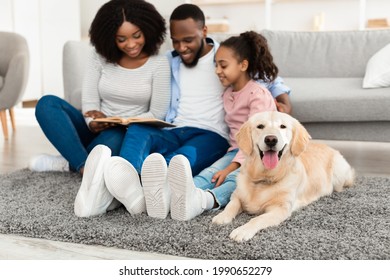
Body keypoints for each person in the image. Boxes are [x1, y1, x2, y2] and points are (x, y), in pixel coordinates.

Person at [76, 4, 291, 219]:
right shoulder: (170, 61)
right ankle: (123, 183)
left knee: (175, 162)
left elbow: (262, 74)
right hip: (173, 129)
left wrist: (282, 98)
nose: (181, 47)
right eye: (176, 41)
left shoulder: (225, 57)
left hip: (210, 135)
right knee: (138, 129)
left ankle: (126, 192)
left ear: (204, 32)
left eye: (188, 40)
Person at [28, 0, 170, 177]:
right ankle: (85, 167)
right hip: (96, 129)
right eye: (121, 39)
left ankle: (70, 161)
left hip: (127, 133)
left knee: (115, 141)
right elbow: (90, 102)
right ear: (110, 37)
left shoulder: (159, 63)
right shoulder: (100, 57)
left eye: (137, 35)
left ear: (148, 30)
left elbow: (157, 114)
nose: (131, 44)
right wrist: (93, 123)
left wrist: (123, 121)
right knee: (46, 104)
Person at [166, 31, 278, 221]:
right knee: (209, 174)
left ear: (243, 65)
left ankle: (205, 200)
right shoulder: (228, 93)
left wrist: (230, 168)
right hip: (235, 151)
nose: (217, 70)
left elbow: (255, 138)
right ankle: (170, 196)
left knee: (236, 179)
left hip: (260, 154)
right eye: (216, 65)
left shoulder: (257, 95)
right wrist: (228, 164)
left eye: (223, 65)